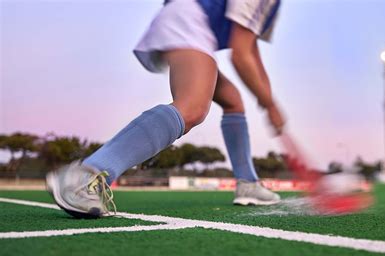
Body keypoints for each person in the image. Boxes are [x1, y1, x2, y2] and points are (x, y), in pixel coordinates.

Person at [47, 0, 285, 218]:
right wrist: (271, 105)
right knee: (192, 108)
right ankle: (85, 175)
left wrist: (268, 99)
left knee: (233, 100)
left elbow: (250, 48)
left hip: (189, 19)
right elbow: (241, 56)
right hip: (191, 18)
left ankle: (248, 183)